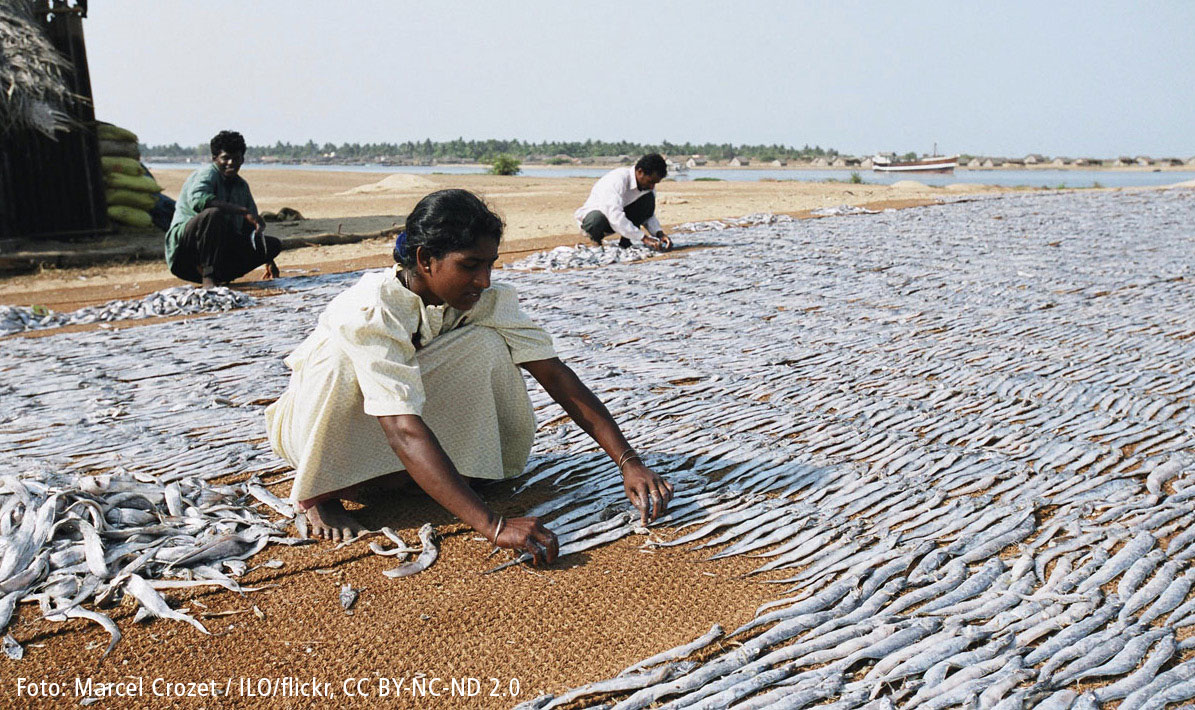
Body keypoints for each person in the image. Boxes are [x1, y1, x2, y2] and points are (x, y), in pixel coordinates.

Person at [265, 189, 674, 564]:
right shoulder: (373, 310)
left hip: (390, 425)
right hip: (310, 426)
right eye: (470, 265)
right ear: (425, 259)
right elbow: (402, 428)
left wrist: (628, 462)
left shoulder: (484, 301)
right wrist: (494, 526)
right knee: (338, 358)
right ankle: (322, 489)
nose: (484, 279)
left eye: (490, 264)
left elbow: (554, 373)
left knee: (487, 345)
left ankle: (418, 474)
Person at [165, 130, 281, 287]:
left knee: (274, 245)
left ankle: (222, 274)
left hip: (221, 251)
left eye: (236, 158)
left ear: (242, 159)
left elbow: (250, 226)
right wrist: (243, 212)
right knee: (214, 214)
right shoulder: (207, 174)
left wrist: (269, 261)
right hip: (186, 255)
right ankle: (208, 276)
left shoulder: (241, 186)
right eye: (225, 158)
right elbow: (199, 200)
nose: (231, 163)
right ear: (215, 158)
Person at [575, 153, 673, 251]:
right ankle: (596, 240)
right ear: (640, 172)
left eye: (655, 183)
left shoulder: (647, 188)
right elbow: (614, 215)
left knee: (647, 199)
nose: (652, 187)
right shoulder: (617, 180)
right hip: (598, 220)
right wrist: (644, 238)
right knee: (596, 219)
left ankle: (626, 241)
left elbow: (649, 215)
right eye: (650, 182)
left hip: (620, 218)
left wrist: (659, 234)